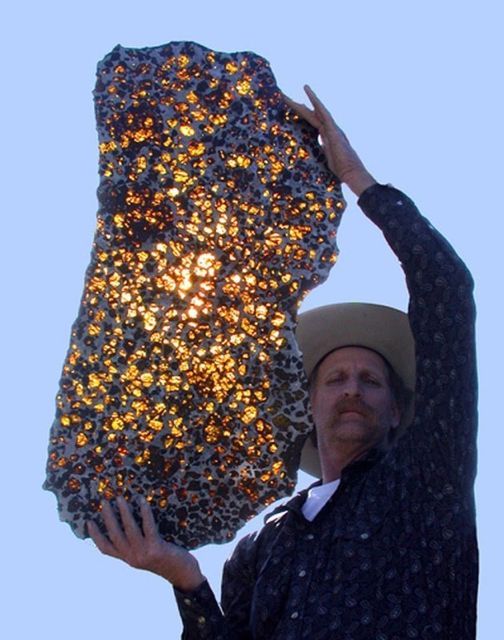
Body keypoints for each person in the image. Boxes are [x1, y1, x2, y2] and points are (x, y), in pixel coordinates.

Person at [88, 86, 478, 639]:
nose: (352, 389)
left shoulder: (426, 482)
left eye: (370, 380)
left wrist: (357, 179)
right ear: (308, 406)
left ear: (397, 410)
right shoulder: (262, 542)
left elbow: (446, 289)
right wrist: (184, 577)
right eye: (336, 379)